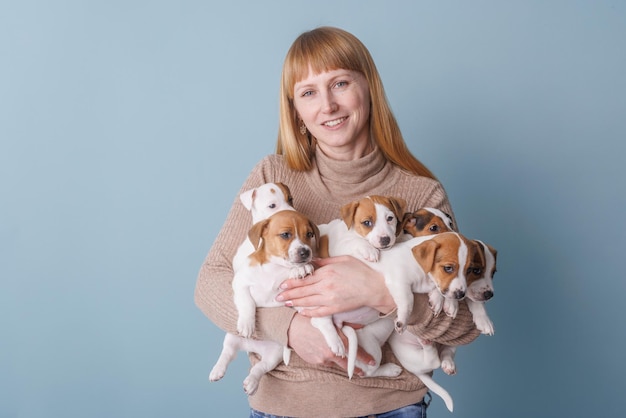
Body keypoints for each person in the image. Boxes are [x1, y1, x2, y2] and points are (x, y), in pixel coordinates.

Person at [195, 26, 480, 418]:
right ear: (295, 109)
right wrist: (291, 329)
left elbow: (464, 324)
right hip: (283, 408)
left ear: (369, 89)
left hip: (390, 408)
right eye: (309, 92)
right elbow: (210, 281)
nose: (327, 105)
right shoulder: (273, 180)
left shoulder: (420, 196)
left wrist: (381, 291)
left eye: (340, 83)